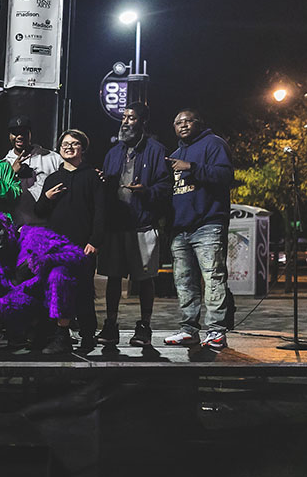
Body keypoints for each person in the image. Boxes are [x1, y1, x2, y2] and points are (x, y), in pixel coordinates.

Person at [96, 104, 172, 347]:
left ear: (143, 122)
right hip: (116, 225)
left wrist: (146, 191)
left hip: (142, 223)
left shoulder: (156, 150)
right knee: (114, 277)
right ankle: (110, 325)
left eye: (132, 118)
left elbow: (166, 186)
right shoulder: (113, 153)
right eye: (124, 117)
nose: (125, 122)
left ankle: (144, 327)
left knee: (145, 278)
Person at [164, 110, 234, 349]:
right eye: (177, 122)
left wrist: (191, 167)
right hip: (179, 227)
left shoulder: (214, 144)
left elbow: (225, 175)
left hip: (208, 223)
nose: (182, 125)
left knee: (213, 278)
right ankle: (189, 329)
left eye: (187, 121)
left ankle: (216, 331)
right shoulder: (173, 155)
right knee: (184, 281)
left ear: (198, 122)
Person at [36, 129, 105, 351]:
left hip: (83, 246)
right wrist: (46, 198)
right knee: (58, 285)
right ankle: (60, 334)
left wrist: (94, 241)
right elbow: (39, 211)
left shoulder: (92, 176)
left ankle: (87, 334)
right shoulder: (53, 178)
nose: (69, 147)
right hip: (57, 248)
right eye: (65, 143)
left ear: (82, 149)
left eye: (74, 143)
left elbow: (100, 212)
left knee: (84, 290)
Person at [0, 209, 85, 354]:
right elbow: (7, 288)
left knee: (58, 274)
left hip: (51, 294)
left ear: (8, 226)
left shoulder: (35, 237)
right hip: (31, 300)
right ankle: (35, 330)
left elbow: (77, 254)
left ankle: (62, 334)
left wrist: (47, 260)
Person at [3, 115, 61, 227]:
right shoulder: (3, 165)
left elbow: (72, 172)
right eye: (15, 133)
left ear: (30, 133)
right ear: (9, 135)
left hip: (48, 226)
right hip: (17, 228)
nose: (19, 136)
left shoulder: (52, 158)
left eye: (23, 132)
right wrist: (12, 172)